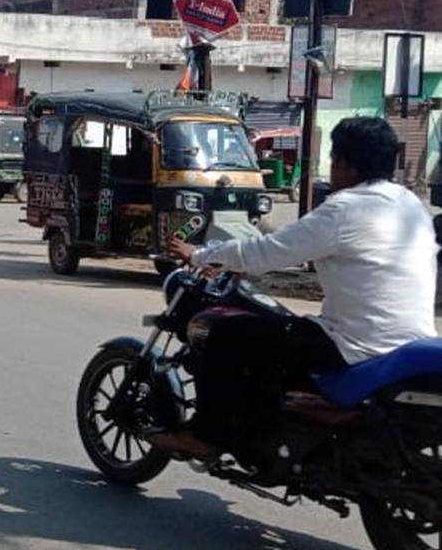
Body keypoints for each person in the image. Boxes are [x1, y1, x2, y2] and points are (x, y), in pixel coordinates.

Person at [160, 116, 438, 458]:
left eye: (334, 159)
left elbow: (267, 251)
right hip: (410, 341)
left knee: (227, 334)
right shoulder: (411, 205)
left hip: (352, 345)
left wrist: (200, 254)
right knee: (286, 335)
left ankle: (205, 436)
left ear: (346, 165)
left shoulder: (344, 209)